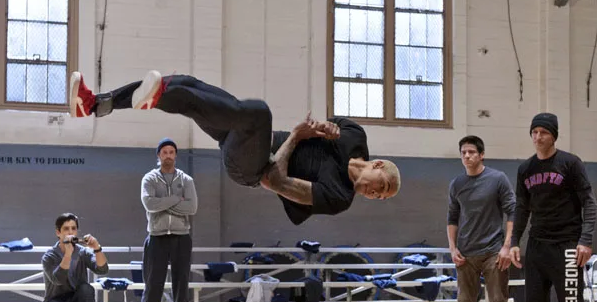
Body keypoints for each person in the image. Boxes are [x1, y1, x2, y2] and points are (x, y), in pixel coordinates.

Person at [68, 71, 401, 224]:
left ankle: (159, 98)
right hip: (241, 136)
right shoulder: (355, 136)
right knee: (187, 84)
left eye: (381, 197)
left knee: (259, 113)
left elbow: (275, 181)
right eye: (382, 186)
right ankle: (96, 104)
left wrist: (296, 137)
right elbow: (329, 125)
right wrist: (325, 127)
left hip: (252, 167)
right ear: (377, 164)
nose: (376, 195)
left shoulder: (339, 198)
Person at [510, 113, 596, 302]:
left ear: (554, 135)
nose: (538, 137)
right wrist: (514, 242)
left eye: (544, 132)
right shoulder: (526, 169)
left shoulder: (570, 163)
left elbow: (589, 202)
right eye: (534, 132)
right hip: (537, 245)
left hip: (568, 244)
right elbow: (521, 208)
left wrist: (585, 240)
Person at [440, 135, 517, 302]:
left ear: (481, 155)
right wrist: (453, 248)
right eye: (463, 152)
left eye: (471, 152)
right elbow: (452, 218)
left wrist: (507, 246)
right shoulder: (457, 184)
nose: (467, 156)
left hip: (493, 252)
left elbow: (512, 212)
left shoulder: (497, 179)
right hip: (465, 254)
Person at [137, 138, 200, 302]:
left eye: (171, 152)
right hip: (157, 237)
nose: (168, 156)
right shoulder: (149, 179)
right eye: (164, 152)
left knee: (181, 285)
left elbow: (192, 208)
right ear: (158, 155)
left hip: (181, 237)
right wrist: (176, 199)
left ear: (176, 155)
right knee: (153, 285)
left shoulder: (186, 180)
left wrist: (163, 203)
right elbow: (149, 204)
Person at [41, 212, 108, 302]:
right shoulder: (49, 256)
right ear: (58, 233)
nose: (70, 232)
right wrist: (68, 254)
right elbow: (58, 279)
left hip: (76, 298)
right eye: (66, 229)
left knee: (87, 290)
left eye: (73, 228)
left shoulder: (82, 252)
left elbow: (102, 269)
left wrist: (97, 248)